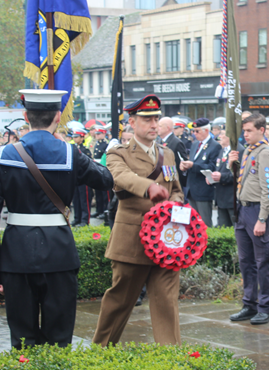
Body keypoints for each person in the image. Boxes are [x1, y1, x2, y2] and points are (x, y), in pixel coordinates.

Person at [0, 89, 114, 349]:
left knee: (22, 340)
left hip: (15, 257)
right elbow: (106, 179)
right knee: (59, 340)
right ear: (57, 116)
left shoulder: (2, 156)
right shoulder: (70, 153)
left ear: (25, 116)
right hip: (59, 255)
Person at [93, 94, 184, 347]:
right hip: (132, 239)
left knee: (167, 300)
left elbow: (176, 189)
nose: (154, 124)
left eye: (156, 119)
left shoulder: (167, 154)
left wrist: (173, 204)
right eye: (147, 120)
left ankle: (170, 356)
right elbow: (120, 177)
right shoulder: (117, 153)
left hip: (166, 241)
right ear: (132, 123)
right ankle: (101, 352)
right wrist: (149, 188)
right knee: (120, 300)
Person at [228, 113, 269, 325]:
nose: (245, 134)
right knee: (246, 262)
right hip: (243, 210)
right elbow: (244, 181)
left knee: (262, 262)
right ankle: (249, 304)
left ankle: (265, 308)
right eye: (244, 131)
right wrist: (232, 165)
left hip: (257, 211)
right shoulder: (249, 151)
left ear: (261, 130)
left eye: (249, 131)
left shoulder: (265, 153)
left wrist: (262, 218)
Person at [180, 118, 222, 227]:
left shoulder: (215, 146)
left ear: (206, 131)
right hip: (191, 189)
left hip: (203, 190)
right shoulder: (195, 144)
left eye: (197, 131)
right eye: (193, 131)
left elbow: (212, 167)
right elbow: (193, 162)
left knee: (204, 223)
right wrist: (185, 167)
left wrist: (193, 166)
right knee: (192, 224)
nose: (194, 134)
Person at [211, 130, 245, 227]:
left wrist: (221, 177)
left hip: (232, 197)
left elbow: (239, 174)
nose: (220, 136)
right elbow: (220, 168)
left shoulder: (239, 150)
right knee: (222, 227)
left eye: (222, 134)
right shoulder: (223, 150)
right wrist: (212, 177)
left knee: (235, 227)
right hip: (221, 197)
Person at [71, 128, 93, 227]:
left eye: (77, 137)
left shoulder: (85, 150)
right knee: (76, 199)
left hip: (84, 178)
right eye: (74, 137)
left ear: (82, 137)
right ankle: (77, 218)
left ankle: (85, 220)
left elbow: (88, 165)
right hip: (75, 178)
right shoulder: (74, 149)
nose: (75, 139)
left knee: (84, 200)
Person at [158, 117, 188, 188]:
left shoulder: (176, 142)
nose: (157, 128)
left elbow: (183, 163)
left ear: (167, 128)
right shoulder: (160, 141)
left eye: (160, 126)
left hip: (173, 182)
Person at [92, 126, 110, 218]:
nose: (97, 136)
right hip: (96, 167)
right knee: (98, 191)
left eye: (99, 134)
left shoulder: (106, 144)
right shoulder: (97, 144)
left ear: (104, 134)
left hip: (102, 167)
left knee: (104, 192)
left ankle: (105, 210)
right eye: (96, 134)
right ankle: (99, 210)